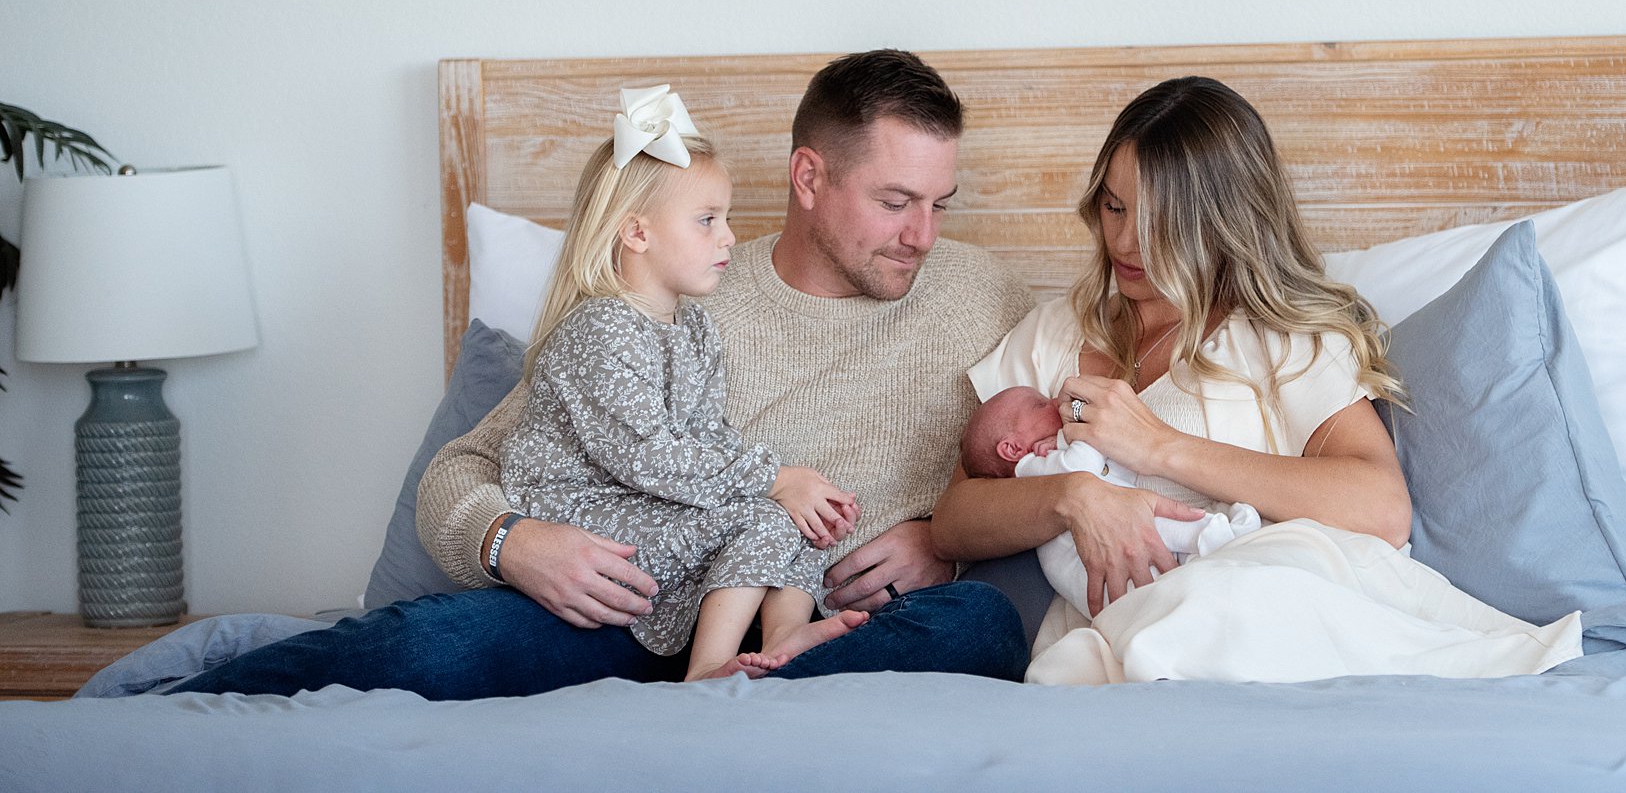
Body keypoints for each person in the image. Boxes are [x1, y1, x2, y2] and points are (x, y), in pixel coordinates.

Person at [174, 50, 1036, 699]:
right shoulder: (667, 298)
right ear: (808, 176)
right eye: (895, 202)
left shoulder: (981, 291)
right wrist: (515, 543)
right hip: (628, 612)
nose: (922, 235)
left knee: (985, 624)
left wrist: (942, 534)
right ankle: (168, 703)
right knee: (425, 647)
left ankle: (739, 689)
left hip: (833, 621)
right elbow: (459, 470)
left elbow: (1058, 428)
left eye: (939, 204)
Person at [932, 74, 1414, 648]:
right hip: (1091, 645)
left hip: (1244, 622)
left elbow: (1382, 509)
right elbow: (954, 520)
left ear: (1223, 221)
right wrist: (1074, 499)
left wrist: (1160, 446)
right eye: (1114, 207)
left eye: (1161, 221)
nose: (1126, 242)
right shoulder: (1057, 333)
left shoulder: (1283, 342)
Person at [501, 88, 866, 680]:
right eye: (707, 221)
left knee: (796, 521)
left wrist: (787, 487)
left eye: (724, 219)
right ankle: (707, 674)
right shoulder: (600, 328)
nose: (728, 237)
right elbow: (646, 456)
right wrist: (773, 480)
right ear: (637, 233)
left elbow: (706, 433)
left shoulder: (693, 325)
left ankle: (783, 639)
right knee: (764, 515)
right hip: (582, 512)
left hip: (645, 500)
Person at [961, 385, 1260, 618]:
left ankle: (1205, 546)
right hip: (1112, 576)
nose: (1053, 401)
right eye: (1040, 405)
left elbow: (1114, 472)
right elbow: (1083, 464)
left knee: (1148, 527)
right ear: (1012, 449)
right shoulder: (1031, 470)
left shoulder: (1046, 460)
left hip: (1123, 578)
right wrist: (1076, 426)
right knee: (1149, 519)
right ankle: (1214, 533)